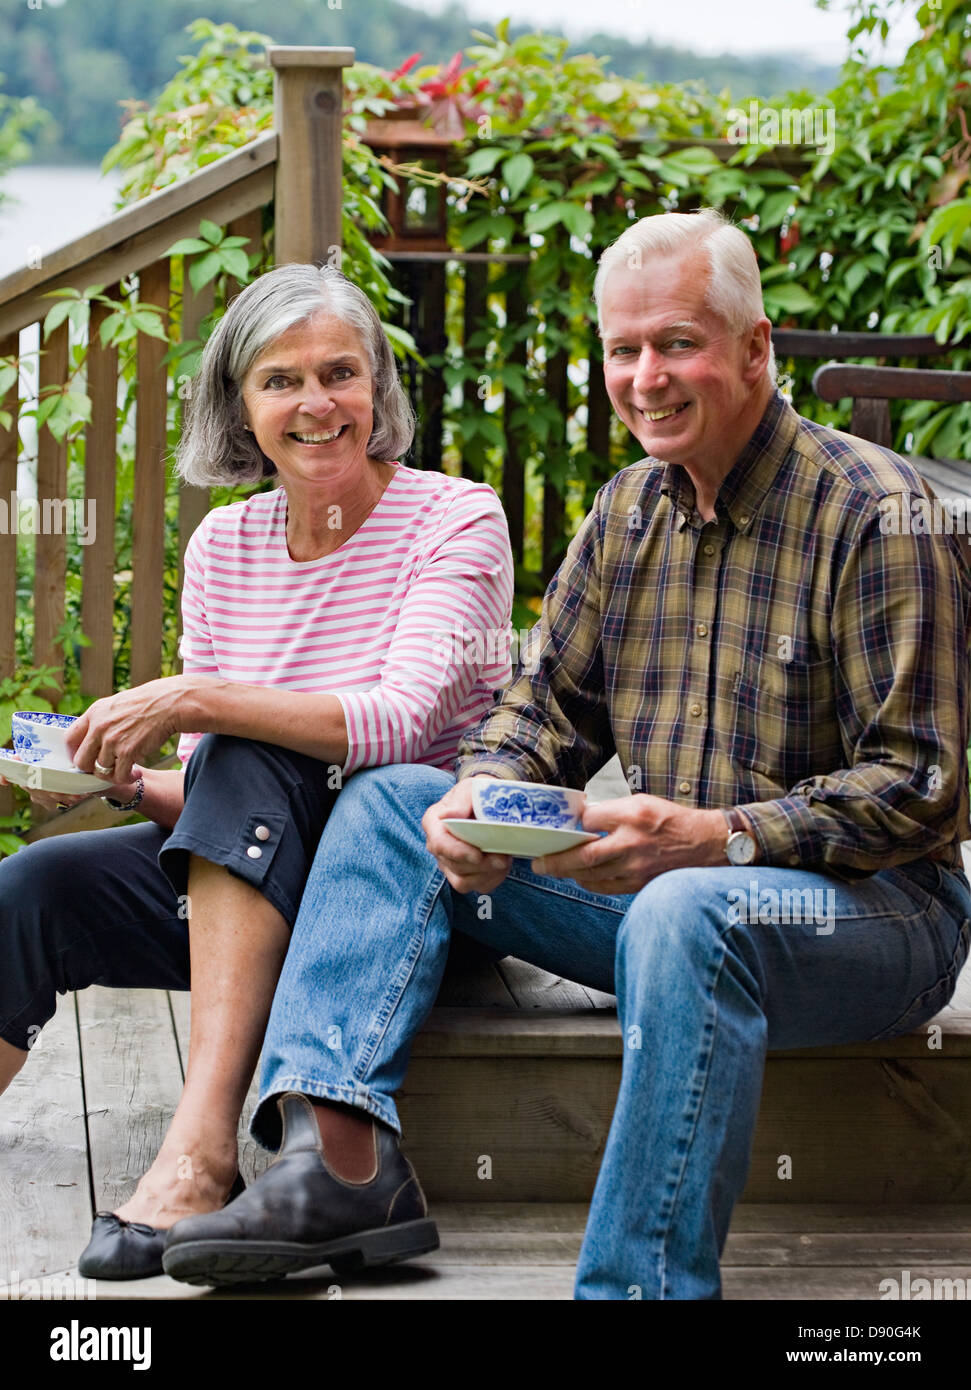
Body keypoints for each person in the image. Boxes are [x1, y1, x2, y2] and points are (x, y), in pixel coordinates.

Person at [160, 209, 971, 1299]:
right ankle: (338, 1162)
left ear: (753, 348)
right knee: (403, 798)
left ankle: (633, 1290)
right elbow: (535, 713)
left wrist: (717, 839)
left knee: (694, 909)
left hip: (868, 920)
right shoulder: (625, 510)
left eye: (675, 342)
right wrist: (487, 797)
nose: (645, 376)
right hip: (650, 897)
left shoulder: (878, 514)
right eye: (622, 349)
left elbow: (920, 788)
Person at [0, 263, 513, 1280]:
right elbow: (221, 792)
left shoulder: (453, 517)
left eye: (340, 373)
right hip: (257, 876)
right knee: (34, 886)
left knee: (240, 737)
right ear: (240, 406)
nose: (316, 403)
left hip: (409, 894)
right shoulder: (226, 541)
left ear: (378, 391)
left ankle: (198, 1154)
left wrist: (194, 698)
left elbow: (404, 719)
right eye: (280, 380)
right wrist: (120, 781)